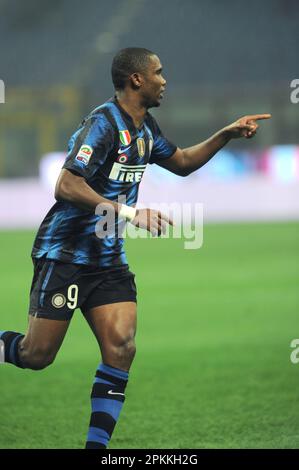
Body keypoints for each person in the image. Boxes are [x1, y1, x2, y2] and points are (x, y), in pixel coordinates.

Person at [0, 47, 271, 449]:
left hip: (107, 259)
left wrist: (225, 135)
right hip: (66, 252)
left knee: (122, 346)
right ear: (137, 80)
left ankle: (97, 450)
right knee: (37, 355)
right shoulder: (103, 124)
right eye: (159, 73)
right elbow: (66, 185)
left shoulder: (145, 129)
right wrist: (129, 213)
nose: (165, 80)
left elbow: (180, 162)